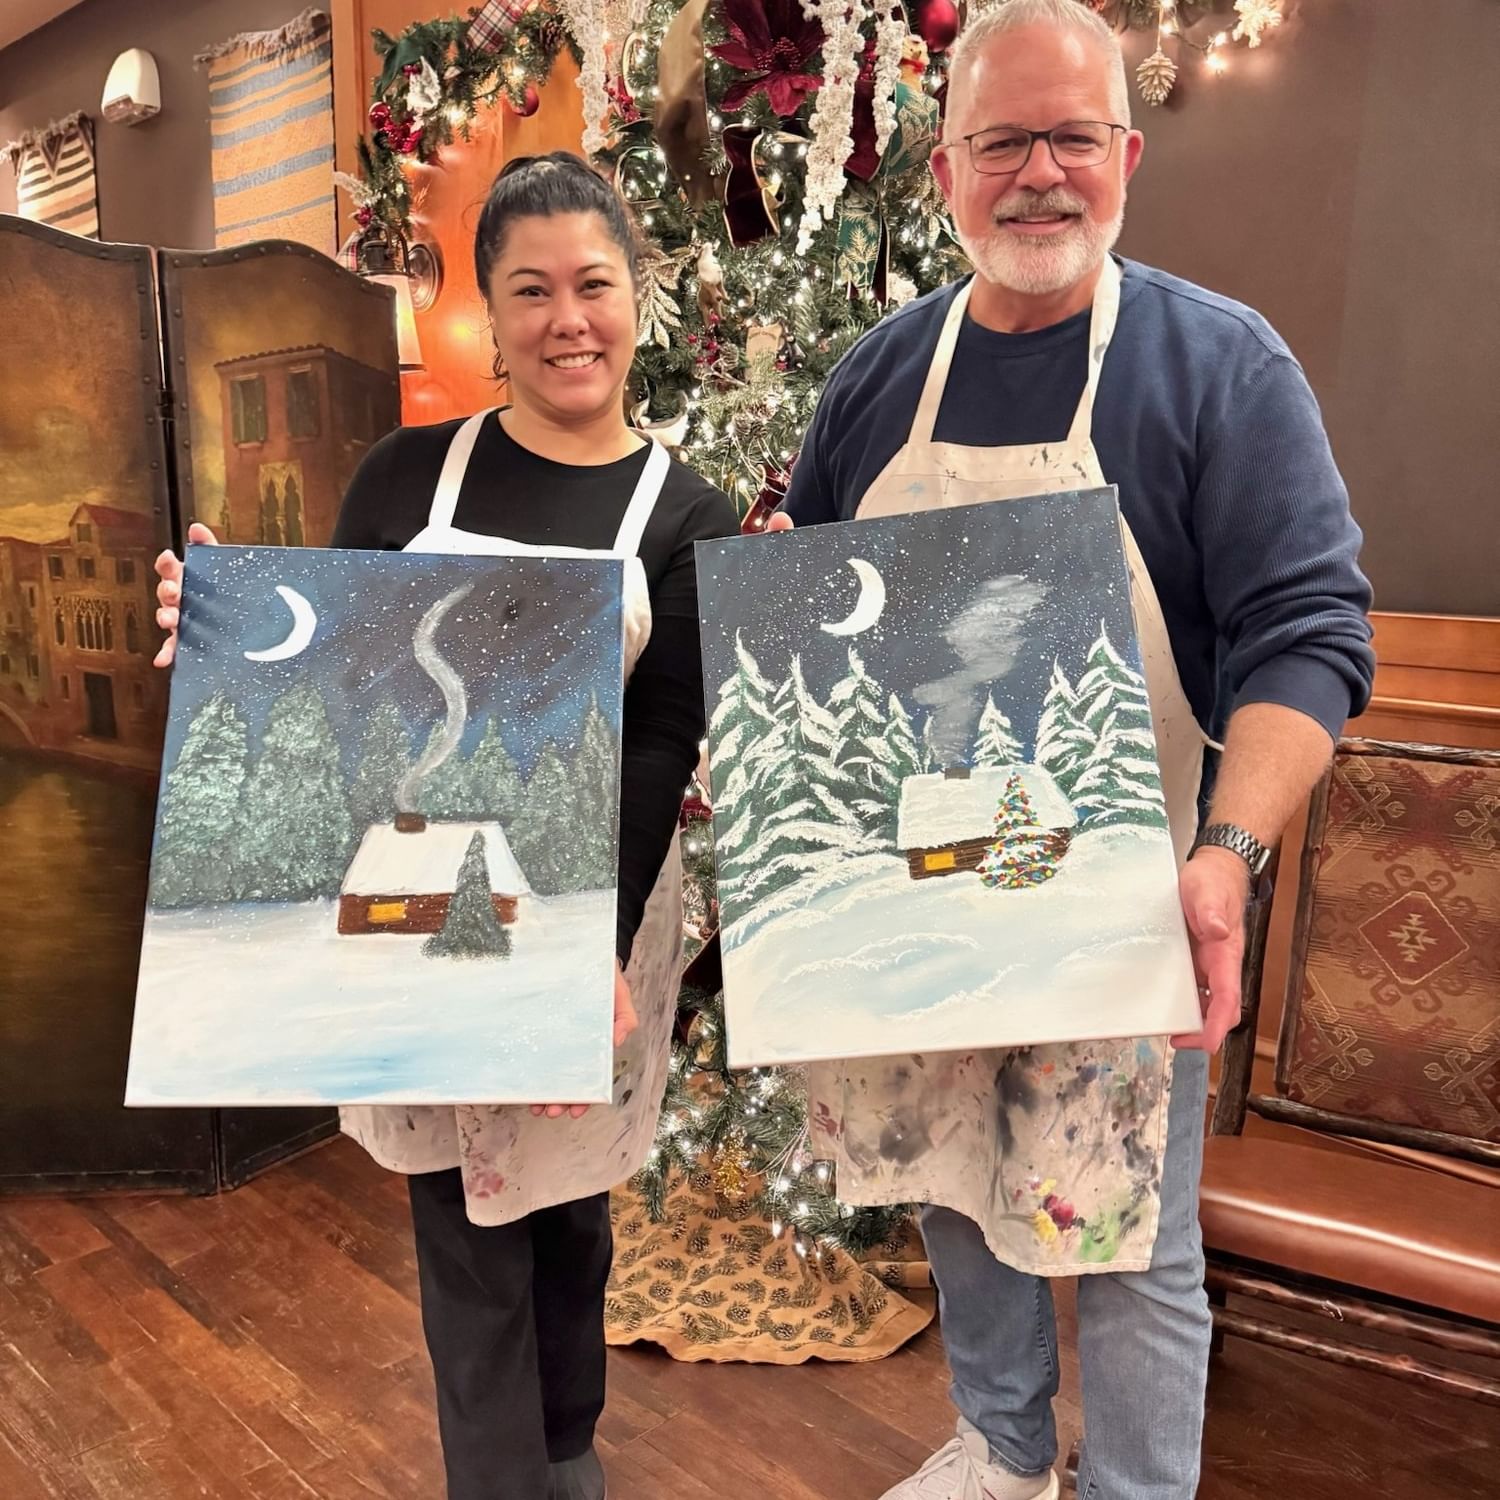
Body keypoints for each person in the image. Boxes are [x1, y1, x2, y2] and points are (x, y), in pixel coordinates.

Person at [773, 4, 1375, 1497]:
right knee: (954, 1187)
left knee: (1131, 1243)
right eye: (1002, 141)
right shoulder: (874, 380)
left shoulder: (1219, 370)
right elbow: (814, 604)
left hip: (1126, 895)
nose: (1040, 174)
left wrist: (1227, 859)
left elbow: (1310, 636)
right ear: (947, 167)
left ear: (1128, 155)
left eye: (1074, 139)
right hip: (917, 880)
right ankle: (1002, 1454)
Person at [153, 152, 739, 1500]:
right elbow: (329, 677)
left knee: (568, 1214)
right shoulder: (406, 477)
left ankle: (565, 1456)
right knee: (461, 1226)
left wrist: (582, 949)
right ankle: (502, 1480)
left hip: (590, 913)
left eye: (592, 283)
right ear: (489, 310)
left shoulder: (686, 511)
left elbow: (660, 742)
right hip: (419, 903)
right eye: (529, 290)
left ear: (636, 296)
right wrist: (219, 641)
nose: (566, 319)